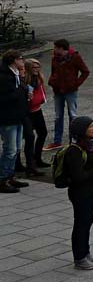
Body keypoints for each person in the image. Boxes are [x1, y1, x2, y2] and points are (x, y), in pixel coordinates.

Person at [62, 116, 93, 268]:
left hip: (92, 190)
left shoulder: (90, 145)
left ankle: (86, 252)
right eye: (91, 126)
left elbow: (92, 163)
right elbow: (78, 177)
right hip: (81, 193)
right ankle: (79, 257)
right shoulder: (74, 151)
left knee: (88, 222)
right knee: (81, 224)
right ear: (82, 131)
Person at [46, 39, 89, 151]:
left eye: (56, 47)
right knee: (58, 116)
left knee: (72, 116)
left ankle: (74, 140)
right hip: (58, 90)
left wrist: (76, 83)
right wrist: (52, 80)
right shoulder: (55, 57)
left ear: (61, 48)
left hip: (70, 90)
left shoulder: (74, 57)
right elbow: (53, 71)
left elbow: (85, 71)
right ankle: (57, 141)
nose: (54, 49)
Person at [1, 50, 29, 193]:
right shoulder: (4, 77)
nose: (23, 60)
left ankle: (10, 176)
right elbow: (6, 98)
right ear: (13, 60)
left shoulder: (15, 74)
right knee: (9, 149)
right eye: (20, 58)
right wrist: (22, 88)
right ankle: (2, 178)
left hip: (18, 116)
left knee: (16, 149)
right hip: (8, 118)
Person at [19, 59, 48, 178]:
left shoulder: (38, 79)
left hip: (37, 110)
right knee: (27, 137)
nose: (37, 70)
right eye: (34, 67)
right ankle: (24, 163)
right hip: (28, 112)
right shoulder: (26, 80)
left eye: (38, 67)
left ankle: (37, 158)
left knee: (42, 133)